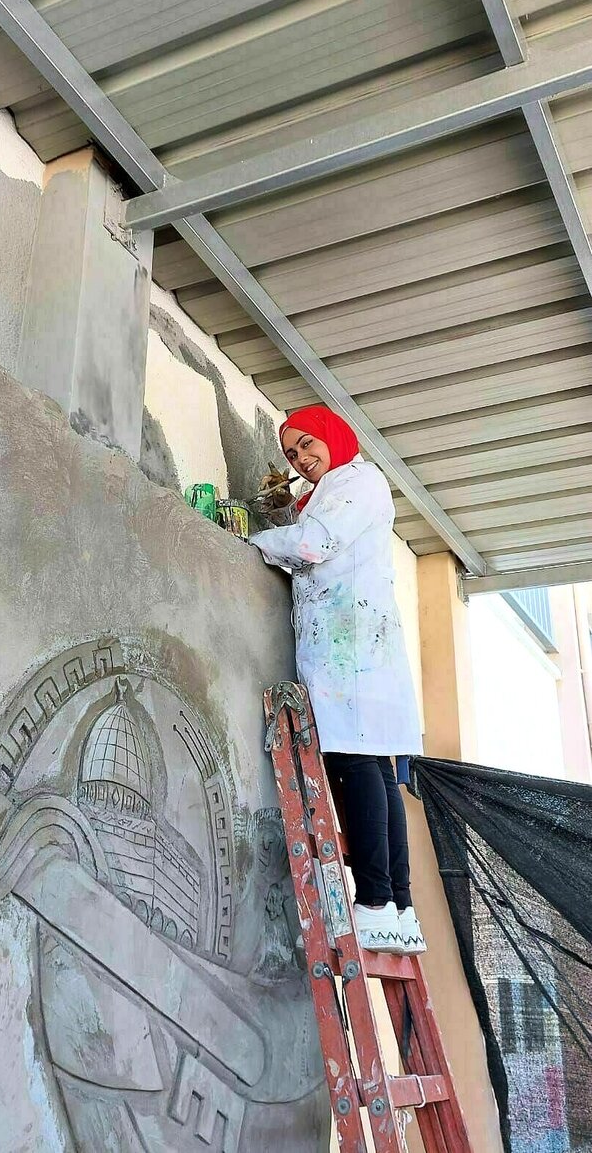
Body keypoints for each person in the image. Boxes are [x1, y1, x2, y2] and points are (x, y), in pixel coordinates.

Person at [250, 405, 426, 955]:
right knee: (376, 768)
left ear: (333, 436)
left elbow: (312, 545)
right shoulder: (335, 489)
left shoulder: (357, 481)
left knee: (355, 764)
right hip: (358, 652)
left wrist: (255, 542)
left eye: (308, 444)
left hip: (351, 653)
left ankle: (374, 902)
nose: (301, 458)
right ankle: (397, 906)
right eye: (292, 453)